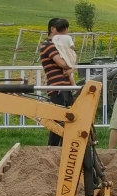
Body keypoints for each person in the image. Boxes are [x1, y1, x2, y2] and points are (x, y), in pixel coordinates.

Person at [40, 18, 74, 146]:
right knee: (58, 123)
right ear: (52, 29)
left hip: (65, 86)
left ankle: (63, 148)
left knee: (68, 121)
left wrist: (71, 67)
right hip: (57, 87)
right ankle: (52, 150)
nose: (64, 33)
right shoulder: (48, 45)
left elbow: (69, 63)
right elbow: (62, 63)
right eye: (62, 30)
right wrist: (70, 67)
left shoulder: (58, 45)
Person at [52, 18, 77, 86]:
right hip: (67, 55)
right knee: (70, 72)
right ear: (66, 28)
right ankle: (74, 86)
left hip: (60, 55)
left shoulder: (54, 37)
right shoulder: (68, 37)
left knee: (65, 70)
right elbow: (72, 46)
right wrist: (74, 48)